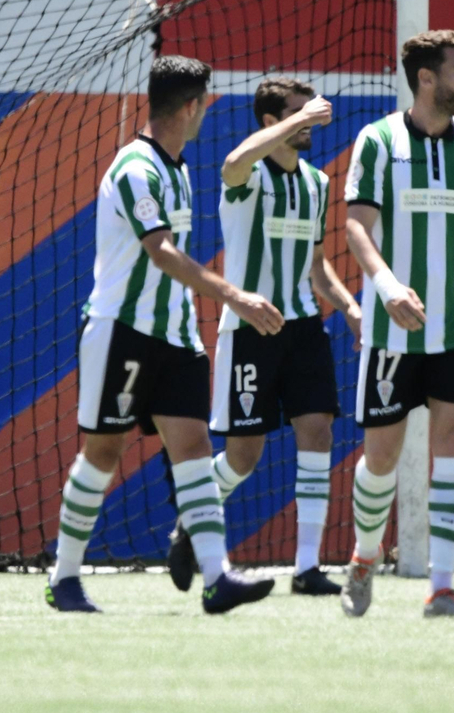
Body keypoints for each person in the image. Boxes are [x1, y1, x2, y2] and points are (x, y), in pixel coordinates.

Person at [44, 55, 284, 614]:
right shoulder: (136, 166)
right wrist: (236, 297)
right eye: (207, 100)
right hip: (121, 332)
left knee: (195, 449)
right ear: (191, 106)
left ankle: (216, 577)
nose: (208, 110)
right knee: (104, 452)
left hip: (176, 338)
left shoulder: (177, 168)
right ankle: (64, 578)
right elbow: (161, 252)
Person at [165, 77, 360, 597]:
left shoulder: (316, 184)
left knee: (318, 433)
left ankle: (306, 568)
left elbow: (318, 268)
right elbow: (232, 162)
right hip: (250, 329)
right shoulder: (248, 178)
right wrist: (302, 117)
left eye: (310, 113)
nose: (311, 122)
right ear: (272, 122)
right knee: (243, 457)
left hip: (303, 328)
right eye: (296, 114)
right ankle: (193, 516)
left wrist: (351, 308)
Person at [339, 29, 454, 619]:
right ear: (427, 79)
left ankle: (442, 586)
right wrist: (385, 288)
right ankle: (364, 557)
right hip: (392, 333)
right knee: (381, 458)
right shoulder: (377, 141)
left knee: (453, 449)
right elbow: (357, 225)